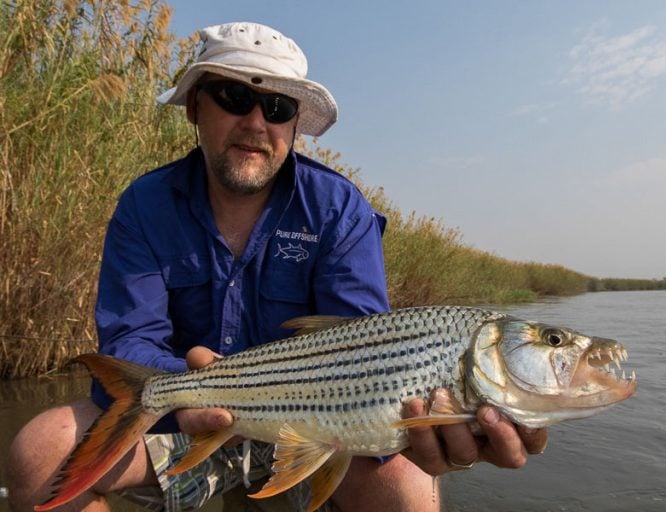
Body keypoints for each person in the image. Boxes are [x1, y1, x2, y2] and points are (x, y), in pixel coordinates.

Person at [8, 22, 546, 512]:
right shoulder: (145, 206)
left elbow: (364, 350)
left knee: (407, 491)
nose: (255, 122)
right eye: (235, 96)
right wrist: (191, 391)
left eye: (278, 108)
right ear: (196, 106)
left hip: (317, 424)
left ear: (294, 126)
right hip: (186, 416)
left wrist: (444, 435)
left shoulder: (338, 209)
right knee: (39, 453)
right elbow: (129, 342)